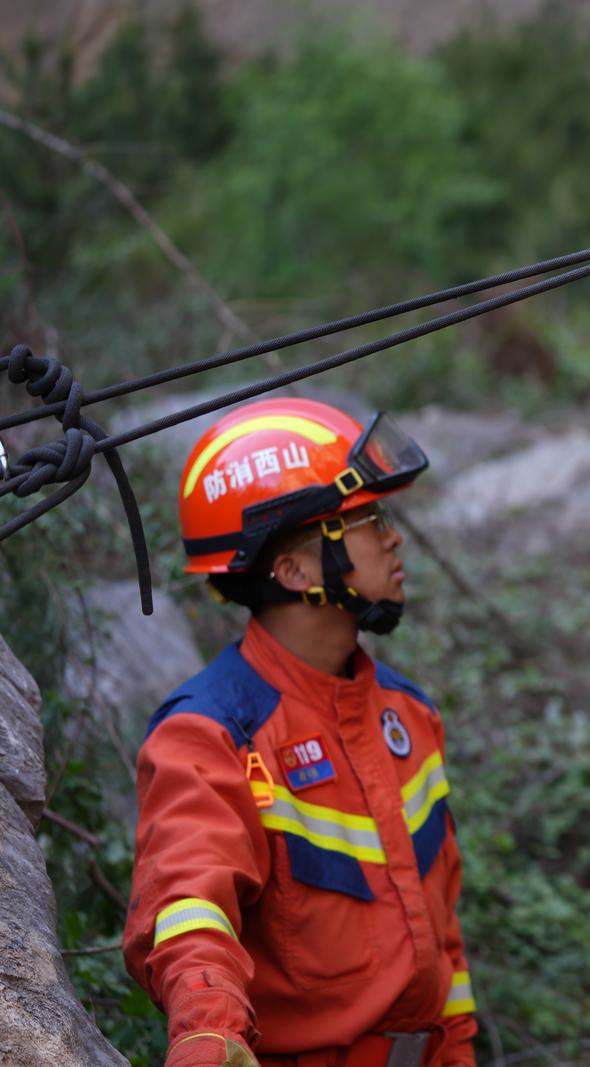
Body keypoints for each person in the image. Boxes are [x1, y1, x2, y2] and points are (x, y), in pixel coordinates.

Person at [122, 398, 477, 1067]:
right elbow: (189, 910)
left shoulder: (409, 715)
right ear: (293, 571)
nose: (393, 538)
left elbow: (443, 937)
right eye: (368, 520)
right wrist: (209, 1036)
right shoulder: (211, 734)